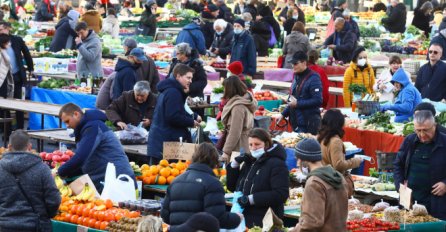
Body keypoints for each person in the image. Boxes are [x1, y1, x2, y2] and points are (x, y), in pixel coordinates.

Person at [57, 103, 136, 192]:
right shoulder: (86, 128)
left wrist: (59, 173)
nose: (67, 125)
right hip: (105, 180)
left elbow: (81, 157)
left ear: (76, 114)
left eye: (67, 121)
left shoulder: (93, 127)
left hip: (118, 181)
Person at [161, 143, 242, 229]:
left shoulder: (175, 181)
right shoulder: (213, 184)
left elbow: (165, 215)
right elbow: (217, 219)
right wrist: (237, 218)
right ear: (214, 161)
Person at [226, 128, 289, 228]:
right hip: (246, 219)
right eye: (251, 145)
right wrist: (234, 165)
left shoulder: (277, 164)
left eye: (257, 144)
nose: (253, 148)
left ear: (266, 144)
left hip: (264, 220)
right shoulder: (250, 162)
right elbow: (232, 187)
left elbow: (281, 194)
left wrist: (251, 199)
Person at [0, 130, 61, 231]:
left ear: (9, 147)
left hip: (5, 226)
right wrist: (46, 216)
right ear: (29, 146)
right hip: (36, 225)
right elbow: (54, 199)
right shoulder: (42, 168)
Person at [393, 110, 446, 220]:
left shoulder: (444, 141)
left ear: (434, 126)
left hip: (438, 201)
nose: (422, 135)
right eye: (418, 130)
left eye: (426, 130)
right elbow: (398, 165)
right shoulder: (410, 140)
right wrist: (400, 186)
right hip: (410, 199)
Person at [289, 138, 348, 232]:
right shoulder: (338, 176)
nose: (297, 163)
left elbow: (312, 223)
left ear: (305, 160)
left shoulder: (314, 183)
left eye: (298, 159)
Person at [147, 64, 202, 165]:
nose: (190, 81)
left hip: (162, 140)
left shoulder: (171, 90)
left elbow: (177, 110)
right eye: (188, 77)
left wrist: (193, 116)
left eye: (191, 78)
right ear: (178, 76)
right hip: (165, 142)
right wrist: (191, 122)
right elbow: (173, 116)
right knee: (161, 176)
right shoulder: (173, 92)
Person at [318, 109, 362, 197]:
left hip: (324, 178)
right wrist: (356, 161)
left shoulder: (321, 137)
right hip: (334, 183)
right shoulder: (335, 141)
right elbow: (338, 165)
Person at [278, 51, 323, 135]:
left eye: (295, 63)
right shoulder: (296, 76)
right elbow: (292, 99)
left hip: (308, 124)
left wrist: (297, 104)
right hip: (296, 122)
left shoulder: (314, 78)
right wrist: (283, 114)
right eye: (292, 63)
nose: (293, 66)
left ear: (304, 63)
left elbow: (318, 100)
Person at [0, 22, 33, 129]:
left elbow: (26, 53)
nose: (1, 32)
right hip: (3, 79)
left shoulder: (17, 40)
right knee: (5, 105)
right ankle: (6, 130)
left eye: (2, 29)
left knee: (18, 103)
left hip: (17, 76)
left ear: (8, 29)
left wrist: (31, 68)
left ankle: (20, 128)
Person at [220, 76, 257, 162]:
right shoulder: (245, 101)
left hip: (239, 145)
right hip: (244, 142)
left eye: (225, 88)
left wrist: (226, 151)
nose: (224, 91)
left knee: (236, 171)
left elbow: (235, 131)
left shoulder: (238, 107)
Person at [0, 34, 14, 100]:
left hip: (3, 79)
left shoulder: (3, 51)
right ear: (3, 43)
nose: (9, 43)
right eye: (8, 42)